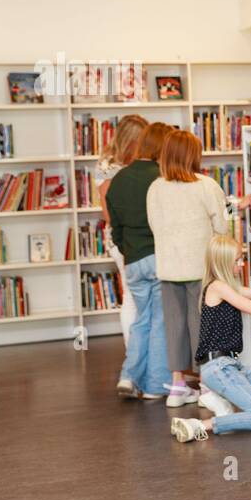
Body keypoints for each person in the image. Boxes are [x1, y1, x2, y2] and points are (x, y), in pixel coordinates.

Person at [169, 234, 251, 443]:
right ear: (223, 262)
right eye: (237, 260)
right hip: (218, 368)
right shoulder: (217, 287)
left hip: (232, 366)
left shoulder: (228, 286)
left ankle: (223, 395)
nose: (242, 264)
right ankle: (200, 425)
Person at [146, 129, 231, 409]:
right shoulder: (206, 185)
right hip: (200, 267)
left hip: (168, 267)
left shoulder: (155, 188)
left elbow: (153, 225)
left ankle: (178, 387)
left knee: (175, 326)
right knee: (202, 325)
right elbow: (221, 227)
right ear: (193, 156)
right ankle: (207, 387)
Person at [106, 121, 172, 400]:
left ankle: (128, 377)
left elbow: (115, 227)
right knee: (159, 322)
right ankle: (156, 387)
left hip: (132, 260)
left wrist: (128, 250)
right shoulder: (163, 178)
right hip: (159, 256)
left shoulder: (119, 178)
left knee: (142, 320)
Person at [97, 115, 147, 344]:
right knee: (131, 297)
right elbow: (108, 211)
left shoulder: (124, 165)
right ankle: (132, 352)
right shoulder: (109, 167)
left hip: (133, 237)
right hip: (123, 239)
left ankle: (139, 353)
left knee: (137, 296)